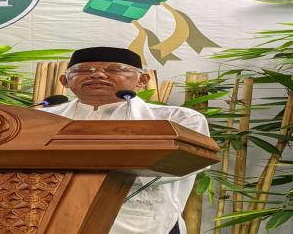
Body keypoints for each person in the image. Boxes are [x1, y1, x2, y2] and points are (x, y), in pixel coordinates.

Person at [40, 47, 210, 234]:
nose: (97, 75)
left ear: (143, 80)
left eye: (114, 69)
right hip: (53, 220)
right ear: (64, 80)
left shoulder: (177, 119)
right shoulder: (38, 120)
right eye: (83, 70)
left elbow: (185, 165)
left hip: (144, 221)